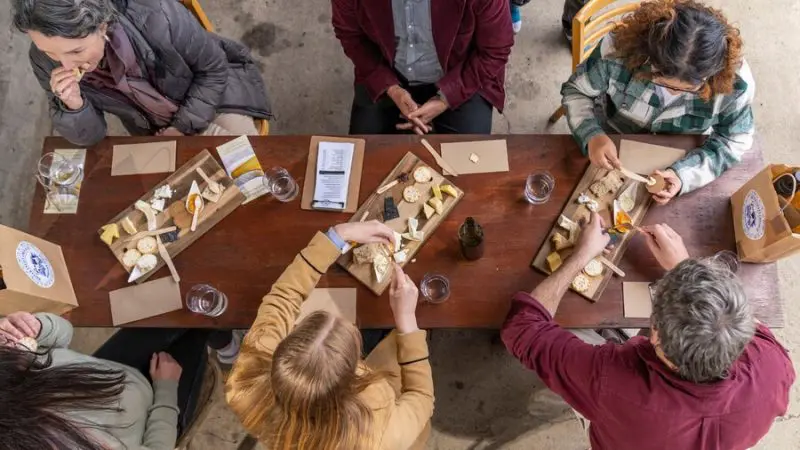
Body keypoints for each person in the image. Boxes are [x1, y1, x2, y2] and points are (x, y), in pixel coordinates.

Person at [501, 214, 795, 450]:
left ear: (655, 334)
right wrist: (684, 267)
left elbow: (523, 328)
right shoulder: (772, 366)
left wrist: (581, 255)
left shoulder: (613, 384)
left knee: (574, 325)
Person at [226, 221, 434, 450]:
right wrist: (407, 321)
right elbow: (421, 397)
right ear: (354, 374)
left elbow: (283, 298)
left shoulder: (246, 381)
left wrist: (336, 236)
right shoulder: (378, 436)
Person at [561, 0, 755, 205]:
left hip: (681, 153)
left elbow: (734, 140)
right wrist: (591, 134)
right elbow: (576, 91)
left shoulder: (736, 84)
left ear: (713, 74)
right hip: (613, 135)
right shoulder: (616, 52)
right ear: (649, 56)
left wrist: (684, 176)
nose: (672, 92)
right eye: (660, 81)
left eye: (688, 89)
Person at [12, 0, 272, 146]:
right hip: (154, 129)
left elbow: (213, 69)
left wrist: (180, 129)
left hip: (214, 97)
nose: (65, 65)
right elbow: (91, 138)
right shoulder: (44, 62)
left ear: (102, 26)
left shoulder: (156, 15)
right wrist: (74, 107)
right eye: (49, 52)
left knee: (246, 172)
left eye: (77, 51)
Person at [0, 312, 236, 449]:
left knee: (186, 307)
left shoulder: (7, 372)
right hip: (155, 415)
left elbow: (63, 337)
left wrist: (39, 327)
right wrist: (166, 389)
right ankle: (229, 348)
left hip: (109, 376)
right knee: (200, 327)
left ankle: (226, 343)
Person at [332, 0, 513, 135]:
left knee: (469, 161)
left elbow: (495, 50)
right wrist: (392, 89)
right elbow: (351, 35)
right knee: (365, 157)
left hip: (461, 76)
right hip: (387, 71)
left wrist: (446, 98)